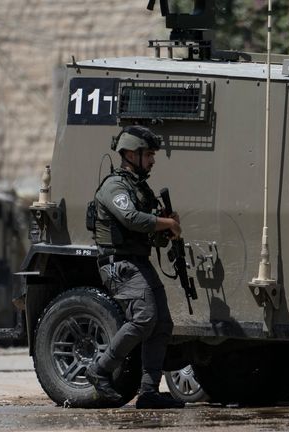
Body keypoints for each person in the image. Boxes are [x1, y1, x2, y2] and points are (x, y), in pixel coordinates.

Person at [85, 125, 184, 409]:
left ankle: (149, 391)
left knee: (162, 324)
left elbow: (150, 232)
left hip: (137, 261)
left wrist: (166, 228)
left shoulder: (140, 188)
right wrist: (167, 223)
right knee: (144, 318)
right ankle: (100, 369)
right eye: (148, 154)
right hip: (119, 263)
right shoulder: (114, 187)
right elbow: (130, 218)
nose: (152, 160)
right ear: (131, 154)